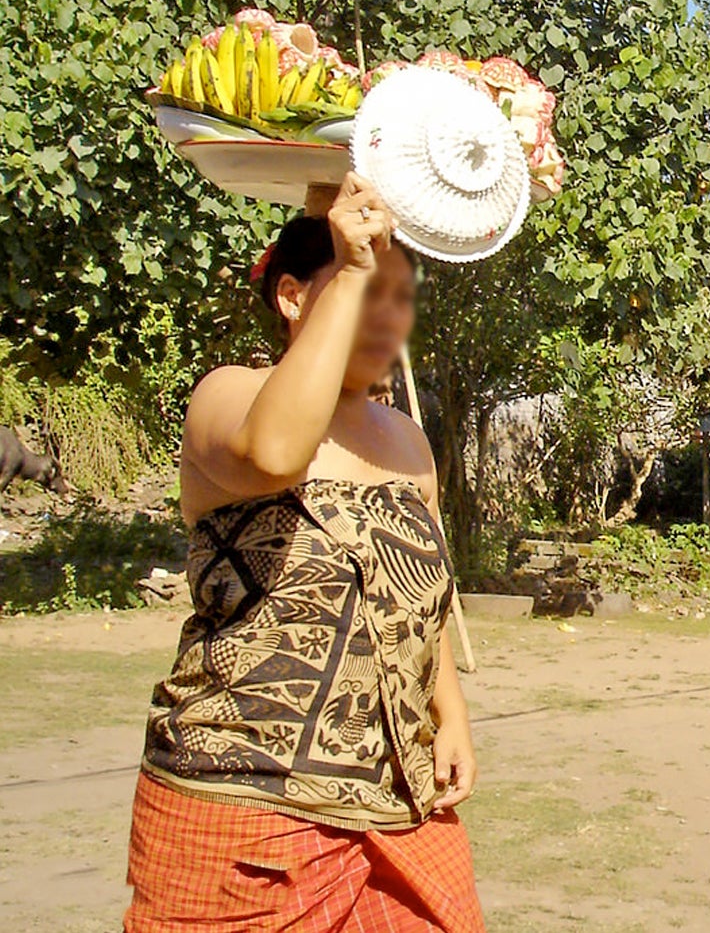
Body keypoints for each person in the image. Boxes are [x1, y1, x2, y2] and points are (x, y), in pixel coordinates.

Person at [125, 174, 484, 932]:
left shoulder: (405, 440)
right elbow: (277, 452)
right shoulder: (227, 395)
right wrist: (352, 262)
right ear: (292, 297)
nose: (388, 317)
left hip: (399, 800)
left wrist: (450, 712)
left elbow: (420, 592)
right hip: (243, 804)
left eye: (398, 297)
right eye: (363, 290)